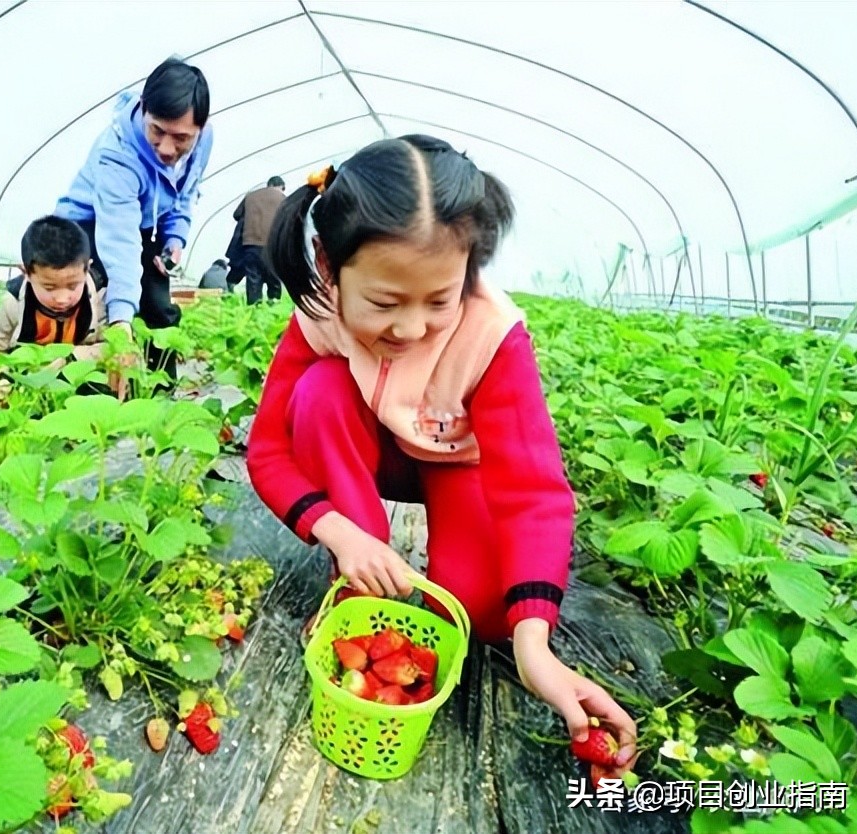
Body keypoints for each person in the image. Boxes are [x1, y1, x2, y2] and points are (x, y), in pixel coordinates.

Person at [246, 135, 638, 779]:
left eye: (438, 300)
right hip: (370, 449)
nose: (409, 329)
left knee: (484, 616)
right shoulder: (318, 316)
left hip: (459, 462)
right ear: (327, 264)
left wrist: (535, 644)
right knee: (318, 394)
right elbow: (267, 450)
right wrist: (341, 534)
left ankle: (458, 587)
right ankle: (355, 582)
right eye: (383, 303)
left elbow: (534, 491)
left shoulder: (492, 334)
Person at [54, 57, 213, 398]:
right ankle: (79, 391)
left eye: (181, 138)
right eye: (157, 131)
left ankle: (158, 392)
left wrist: (175, 236)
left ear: (200, 128)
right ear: (143, 109)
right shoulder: (117, 155)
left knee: (159, 304)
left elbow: (184, 191)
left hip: (144, 223)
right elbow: (119, 240)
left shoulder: (203, 140)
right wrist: (121, 321)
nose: (168, 148)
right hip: (87, 223)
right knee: (89, 300)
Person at [0, 215, 104, 405]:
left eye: (72, 285)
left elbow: (111, 346)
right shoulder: (13, 303)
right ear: (26, 272)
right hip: (28, 384)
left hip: (79, 378)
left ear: (87, 269)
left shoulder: (99, 300)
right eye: (49, 288)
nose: (62, 299)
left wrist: (71, 358)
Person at [231, 175, 286, 304]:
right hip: (272, 248)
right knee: (274, 283)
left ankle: (253, 311)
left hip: (251, 245)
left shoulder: (251, 196)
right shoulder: (284, 200)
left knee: (253, 281)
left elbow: (237, 215)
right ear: (281, 187)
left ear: (269, 184)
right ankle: (272, 308)